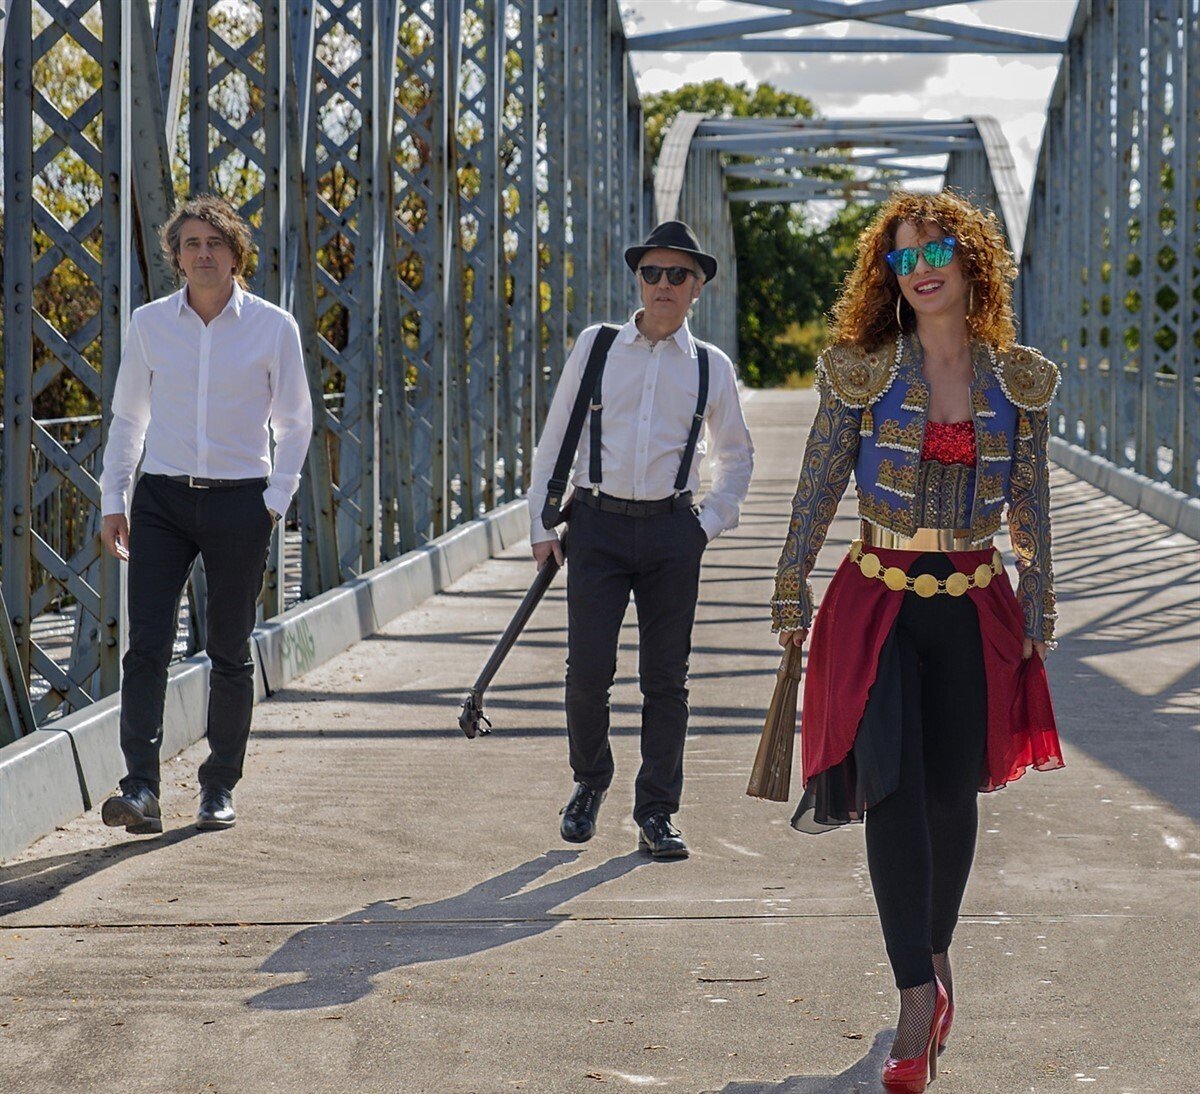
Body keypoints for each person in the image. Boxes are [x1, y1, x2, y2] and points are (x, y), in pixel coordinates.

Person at [770, 190, 1064, 1092]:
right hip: (878, 600)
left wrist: (1039, 602)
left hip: (974, 602)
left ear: (971, 261)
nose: (922, 268)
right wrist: (790, 580)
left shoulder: (1018, 380)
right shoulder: (860, 372)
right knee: (891, 787)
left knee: (948, 794)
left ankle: (936, 962)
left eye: (938, 251)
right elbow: (819, 483)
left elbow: (1030, 503)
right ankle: (912, 997)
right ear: (888, 272)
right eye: (904, 256)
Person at [528, 220, 754, 859]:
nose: (663, 284)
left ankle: (656, 811)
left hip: (670, 531)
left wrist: (707, 525)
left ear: (698, 287)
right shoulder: (596, 346)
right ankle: (589, 781)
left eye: (677, 274)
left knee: (666, 681)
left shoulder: (711, 366)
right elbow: (556, 435)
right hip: (596, 526)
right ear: (638, 280)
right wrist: (540, 523)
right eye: (651, 272)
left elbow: (736, 456)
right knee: (586, 673)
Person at [97, 194, 313, 834]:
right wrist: (114, 499)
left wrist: (274, 501)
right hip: (162, 500)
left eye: (215, 243)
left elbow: (296, 423)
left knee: (228, 650)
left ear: (235, 254)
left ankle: (219, 787)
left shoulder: (273, 327)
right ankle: (140, 788)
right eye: (191, 244)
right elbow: (129, 418)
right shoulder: (150, 324)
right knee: (146, 647)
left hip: (241, 501)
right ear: (177, 257)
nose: (203, 254)